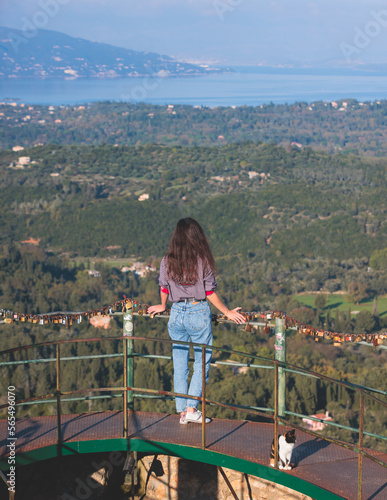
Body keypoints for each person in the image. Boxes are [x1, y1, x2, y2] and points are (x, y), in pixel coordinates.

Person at [148, 218, 245, 425]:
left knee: (180, 364)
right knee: (202, 363)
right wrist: (227, 311)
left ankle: (183, 412)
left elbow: (164, 287)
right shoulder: (202, 260)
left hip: (176, 313)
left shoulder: (167, 260)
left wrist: (162, 305)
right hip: (197, 311)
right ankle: (192, 409)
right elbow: (209, 292)